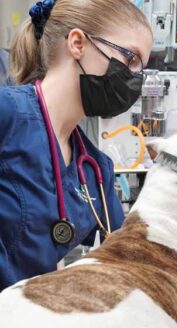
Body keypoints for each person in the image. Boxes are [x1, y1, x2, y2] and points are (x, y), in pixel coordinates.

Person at [0, 0, 152, 291]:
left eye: (141, 68)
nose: (135, 78)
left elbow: (124, 256)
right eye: (130, 58)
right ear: (78, 43)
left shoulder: (96, 170)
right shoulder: (7, 114)